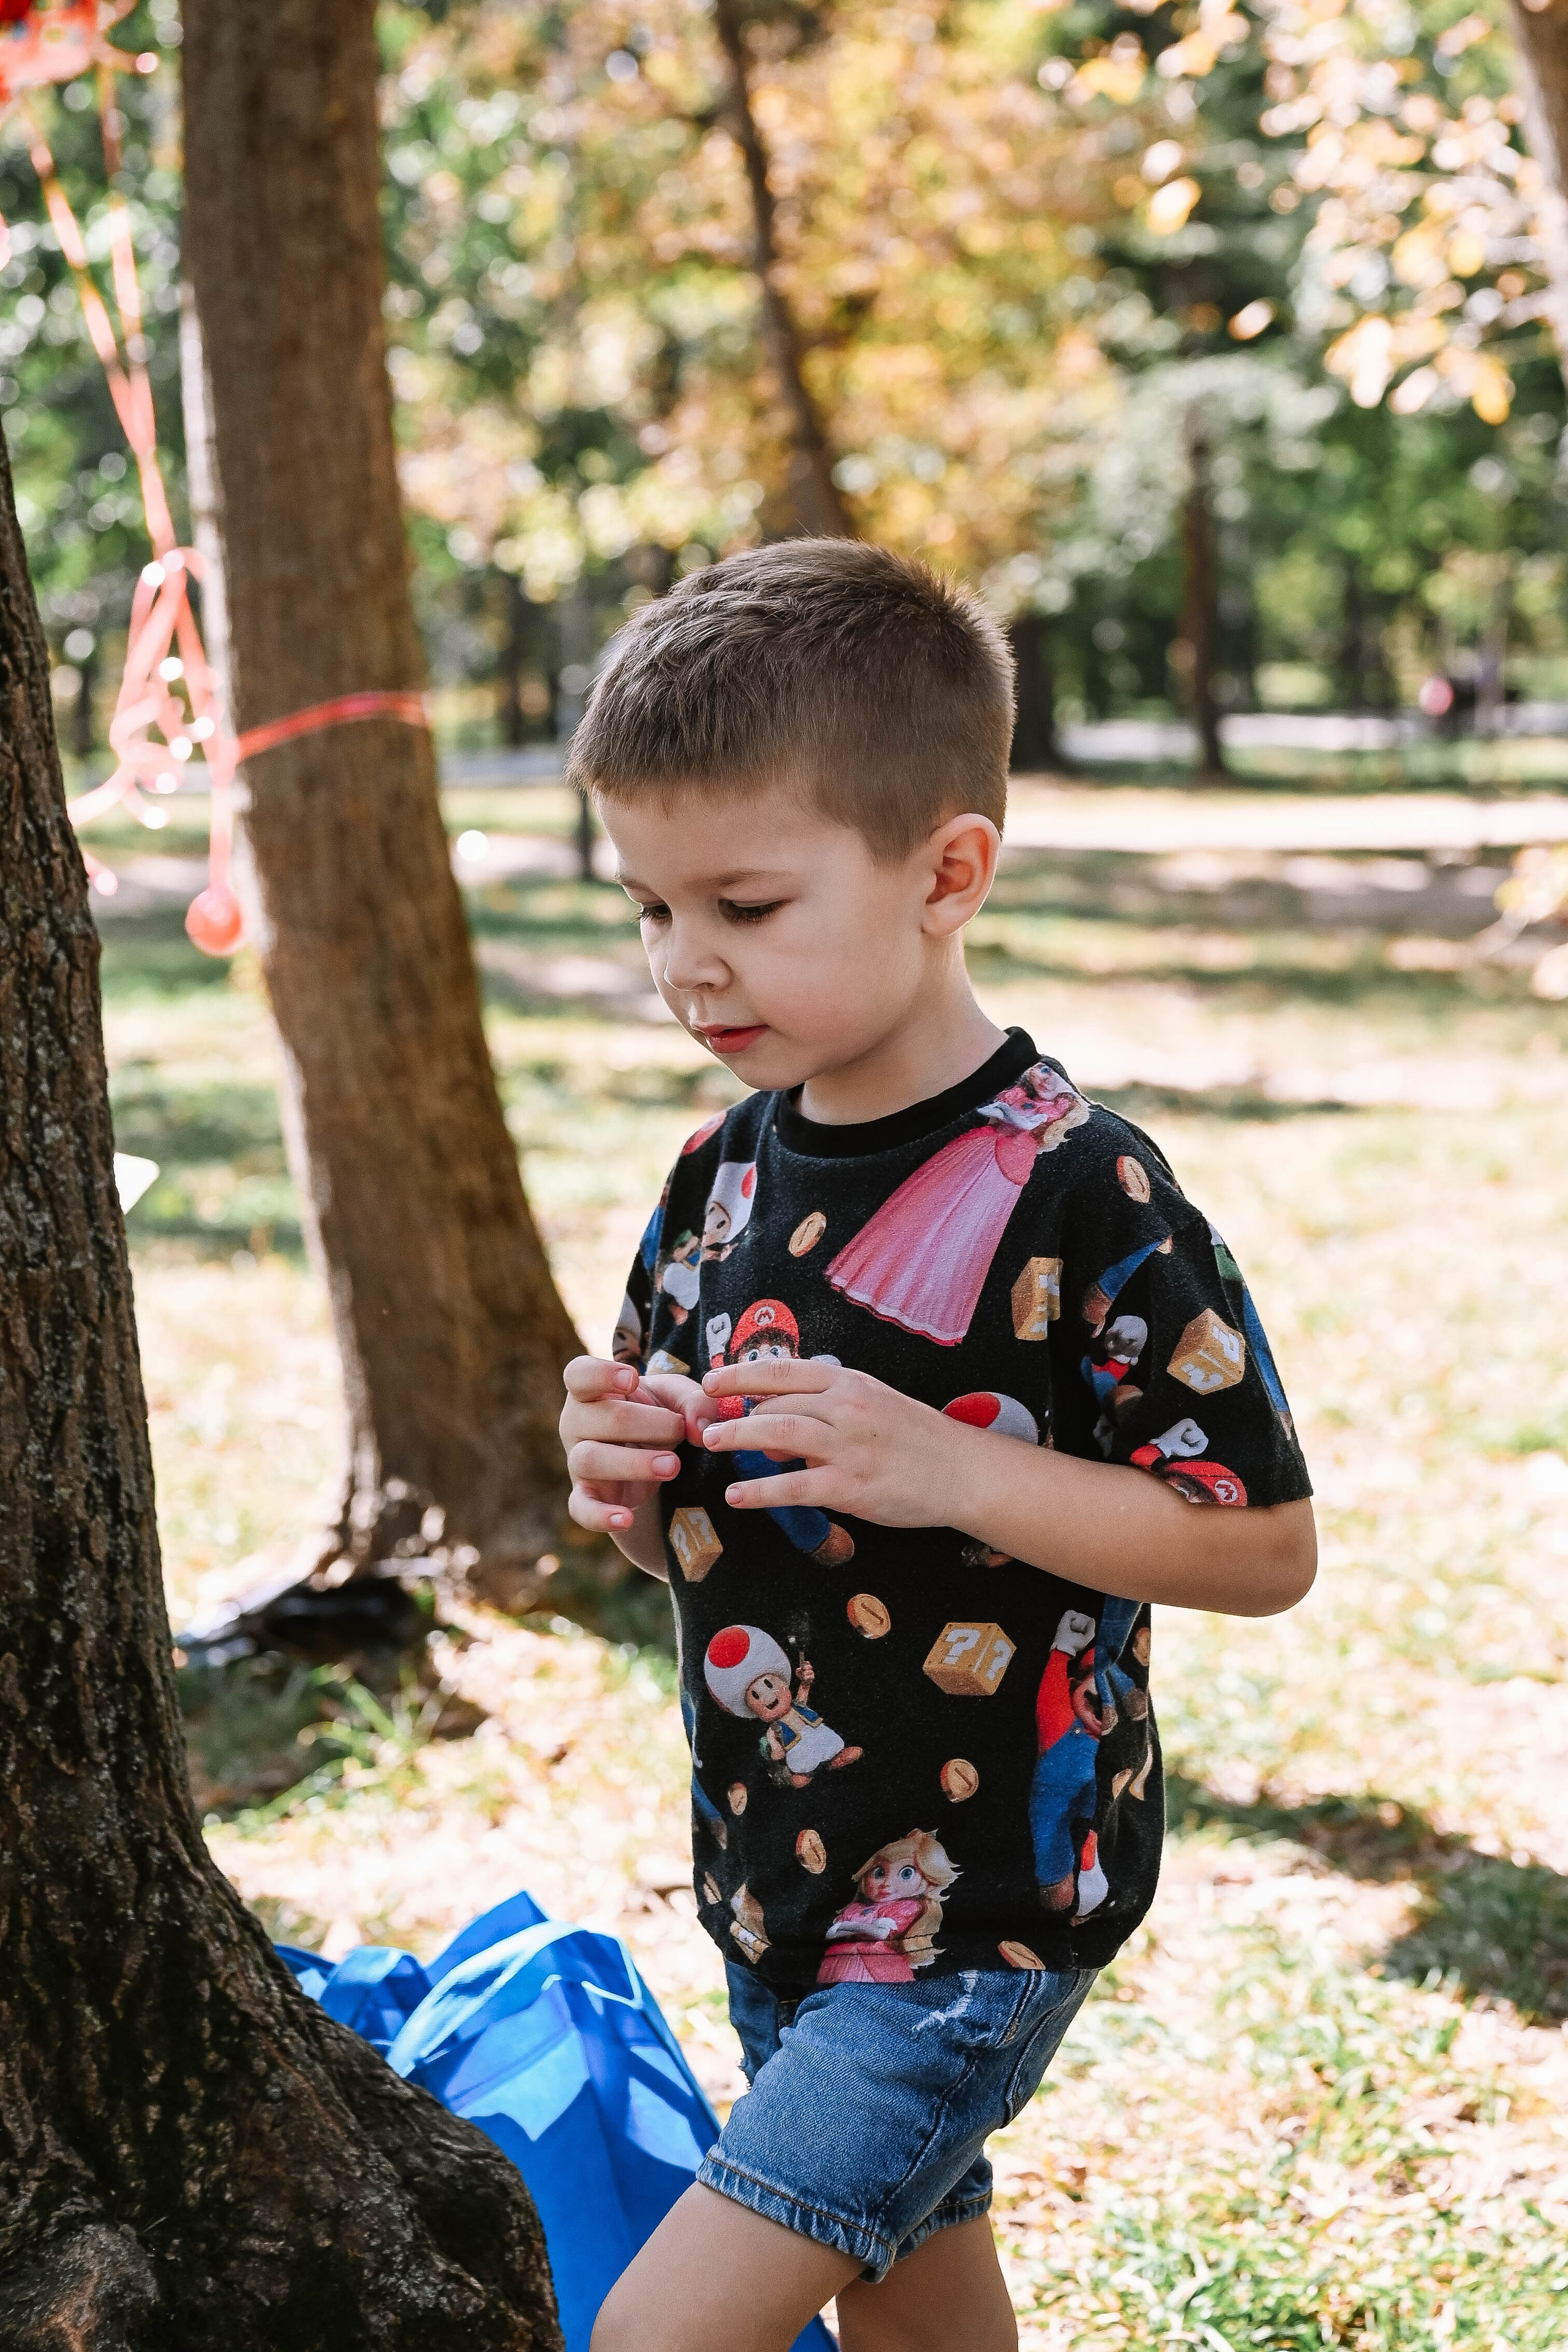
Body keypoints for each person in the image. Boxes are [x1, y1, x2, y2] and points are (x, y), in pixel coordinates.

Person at [557, 540, 1317, 2352]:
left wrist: (954, 1469)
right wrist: (624, 1485)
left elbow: (1261, 1544)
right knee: (921, 2324)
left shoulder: (1082, 1185)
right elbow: (688, 1542)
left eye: (743, 905)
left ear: (946, 872)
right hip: (774, 1882)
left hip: (972, 1920)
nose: (686, 966)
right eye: (651, 910)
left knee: (661, 2333)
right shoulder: (718, 1172)